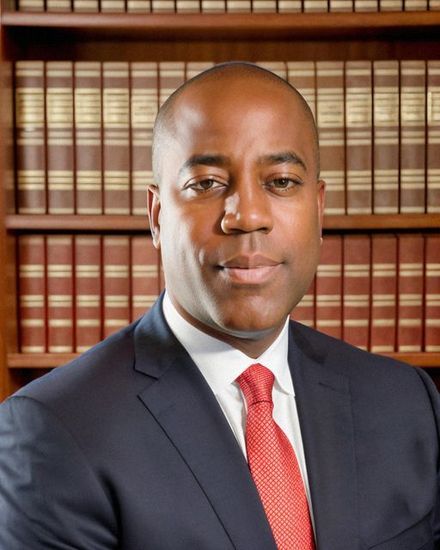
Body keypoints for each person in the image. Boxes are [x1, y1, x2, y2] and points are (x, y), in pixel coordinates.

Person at [0, 61, 439, 550]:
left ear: (319, 211)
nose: (247, 215)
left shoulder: (408, 403)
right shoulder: (57, 429)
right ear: (157, 216)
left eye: (281, 181)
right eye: (206, 183)